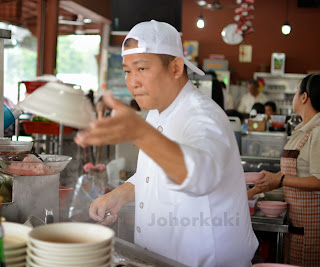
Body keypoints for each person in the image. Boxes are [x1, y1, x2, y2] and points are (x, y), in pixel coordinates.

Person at [75, 20, 258, 266]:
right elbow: (154, 174)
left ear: (175, 68)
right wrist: (119, 195)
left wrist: (139, 132)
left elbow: (199, 175)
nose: (133, 82)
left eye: (142, 69)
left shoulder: (204, 117)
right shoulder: (157, 112)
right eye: (128, 70)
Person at [248, 73, 320, 265]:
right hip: (296, 224)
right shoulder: (303, 129)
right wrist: (256, 189)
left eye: (297, 91)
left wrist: (280, 180)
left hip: (312, 228)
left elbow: (318, 180)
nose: (296, 95)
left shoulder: (319, 130)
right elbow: (291, 173)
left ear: (304, 97)